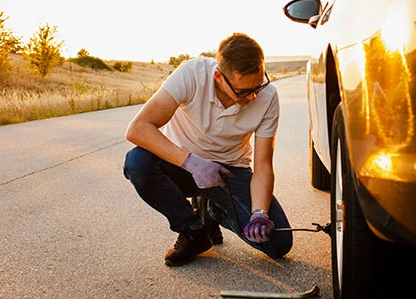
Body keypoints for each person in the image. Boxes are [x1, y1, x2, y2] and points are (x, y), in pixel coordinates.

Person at [123, 33, 292, 266]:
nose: (253, 96)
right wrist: (192, 163)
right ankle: (192, 230)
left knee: (278, 243)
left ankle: (216, 211)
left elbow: (263, 165)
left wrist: (259, 213)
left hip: (230, 172)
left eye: (258, 85)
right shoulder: (192, 74)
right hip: (182, 165)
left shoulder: (268, 97)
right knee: (137, 163)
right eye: (243, 91)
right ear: (218, 77)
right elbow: (138, 129)